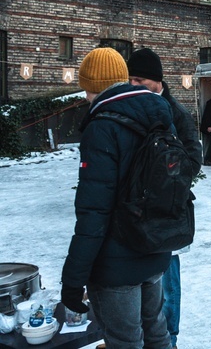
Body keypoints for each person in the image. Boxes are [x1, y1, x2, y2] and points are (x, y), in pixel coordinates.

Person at [61, 47, 173, 349]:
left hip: (116, 262)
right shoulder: (158, 114)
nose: (85, 97)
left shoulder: (101, 126)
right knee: (156, 332)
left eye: (87, 89)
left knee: (124, 341)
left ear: (93, 87)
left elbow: (94, 211)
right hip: (154, 249)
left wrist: (73, 279)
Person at [127, 47, 202, 349]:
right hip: (136, 215)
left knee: (167, 284)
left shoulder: (177, 113)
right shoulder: (129, 108)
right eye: (130, 79)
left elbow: (194, 161)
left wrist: (165, 177)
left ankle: (169, 339)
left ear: (158, 81)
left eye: (140, 80)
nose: (134, 85)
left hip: (168, 214)